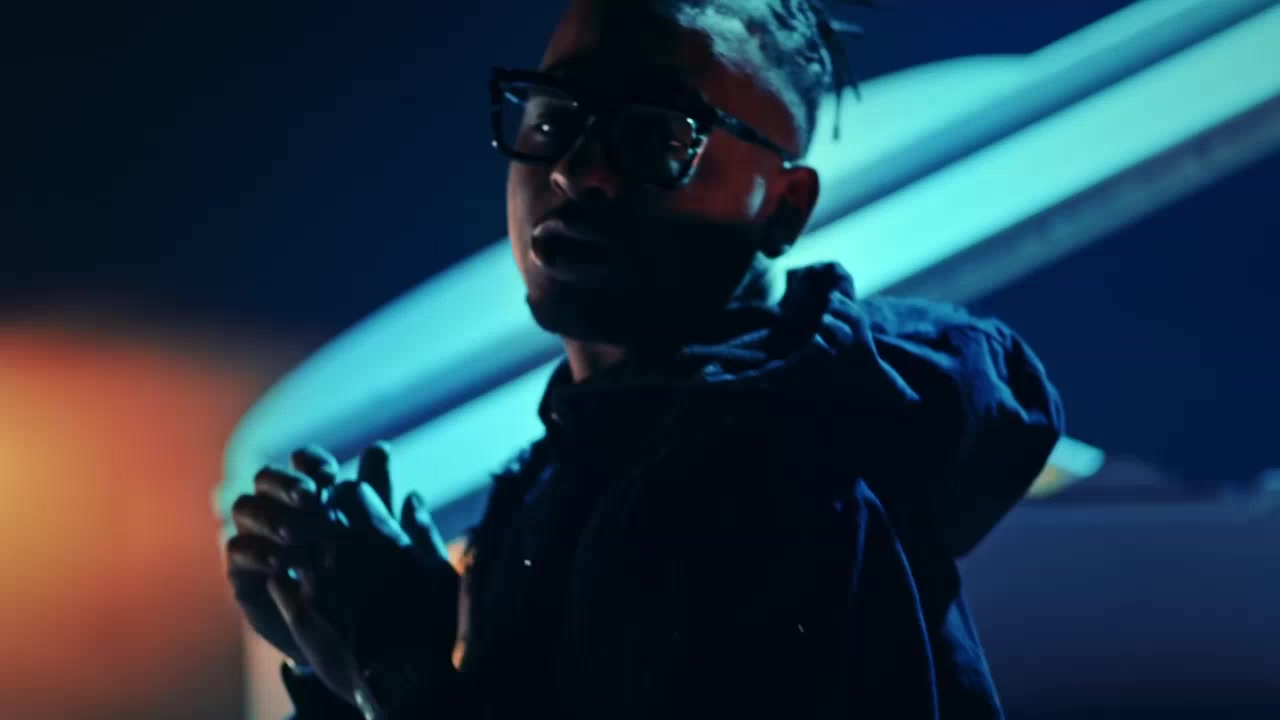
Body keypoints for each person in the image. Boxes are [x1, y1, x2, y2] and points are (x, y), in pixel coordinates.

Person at [225, 0, 1065, 718]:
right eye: (552, 115)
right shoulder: (579, 469)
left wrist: (392, 660)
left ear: (784, 207)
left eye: (658, 133)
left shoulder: (769, 482)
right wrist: (347, 646)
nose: (575, 170)